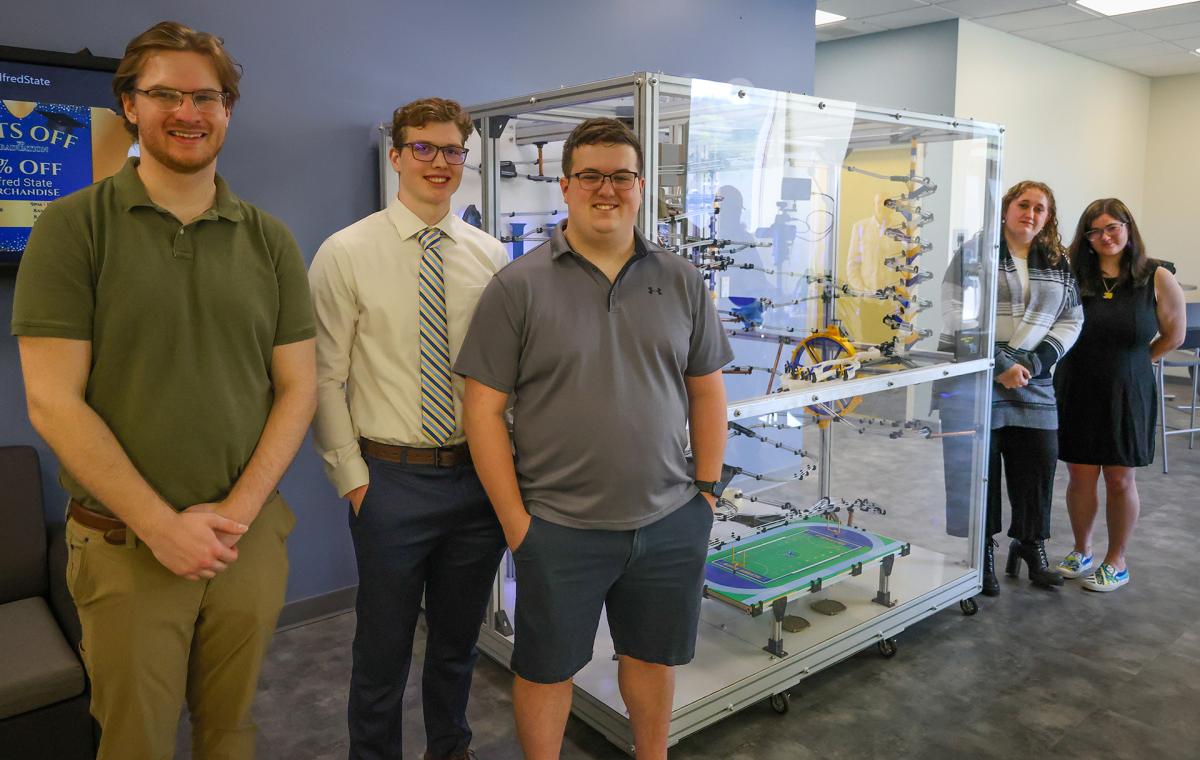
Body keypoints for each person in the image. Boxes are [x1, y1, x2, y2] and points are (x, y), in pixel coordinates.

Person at [10, 21, 316, 759]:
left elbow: (298, 388)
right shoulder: (72, 227)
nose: (189, 112)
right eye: (166, 94)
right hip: (124, 547)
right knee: (135, 742)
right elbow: (53, 400)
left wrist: (235, 517)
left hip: (245, 542)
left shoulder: (269, 239)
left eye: (206, 96)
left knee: (232, 730)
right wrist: (161, 526)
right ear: (130, 107)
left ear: (229, 109)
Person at [454, 117, 733, 760]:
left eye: (621, 176)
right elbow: (482, 413)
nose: (606, 190)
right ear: (566, 185)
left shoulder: (681, 279)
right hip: (559, 527)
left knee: (652, 659)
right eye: (590, 176)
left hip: (668, 521)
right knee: (546, 670)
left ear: (640, 185)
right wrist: (518, 525)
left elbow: (707, 390)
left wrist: (706, 496)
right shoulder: (518, 287)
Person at [308, 98, 507, 760]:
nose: (439, 163)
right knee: (382, 657)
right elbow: (323, 376)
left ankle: (449, 751)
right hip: (389, 482)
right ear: (396, 156)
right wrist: (354, 481)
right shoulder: (345, 253)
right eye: (423, 148)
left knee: (456, 651)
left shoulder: (491, 256)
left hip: (475, 483)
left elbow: (504, 379)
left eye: (452, 151)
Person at [1054, 198, 1186, 592]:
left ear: (1128, 228)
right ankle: (1082, 550)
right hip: (1077, 383)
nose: (1104, 237)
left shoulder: (1156, 275)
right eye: (1095, 231)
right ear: (1086, 237)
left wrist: (1138, 361)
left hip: (1127, 387)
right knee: (1079, 475)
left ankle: (1118, 560)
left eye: (1112, 227)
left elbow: (1173, 334)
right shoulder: (1075, 275)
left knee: (1119, 478)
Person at [983, 180, 1082, 595]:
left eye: (1041, 208)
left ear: (1049, 217)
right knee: (981, 475)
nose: (1032, 213)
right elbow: (959, 314)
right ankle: (981, 551)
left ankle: (1031, 544)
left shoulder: (1057, 261)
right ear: (1006, 208)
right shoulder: (977, 253)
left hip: (1035, 382)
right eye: (1024, 204)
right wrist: (1002, 365)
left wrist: (1035, 362)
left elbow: (1072, 319)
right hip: (983, 381)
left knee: (1038, 468)